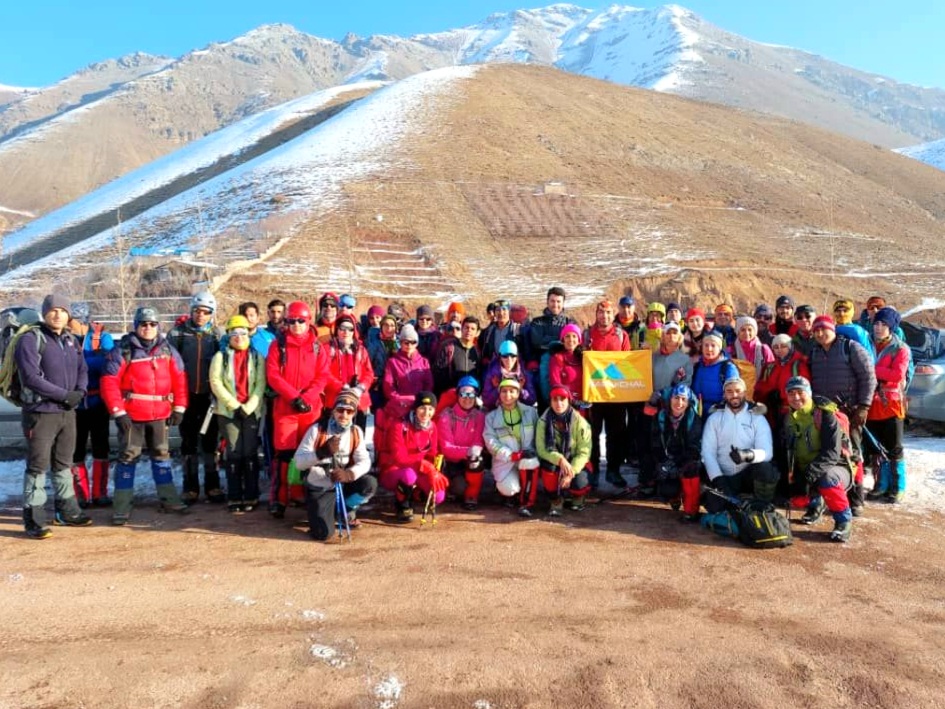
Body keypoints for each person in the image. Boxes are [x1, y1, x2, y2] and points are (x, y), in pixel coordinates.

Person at [101, 306, 189, 525]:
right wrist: (118, 412)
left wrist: (180, 407)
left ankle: (169, 498)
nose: (148, 328)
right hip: (132, 415)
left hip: (160, 414)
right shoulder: (122, 350)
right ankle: (122, 505)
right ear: (136, 326)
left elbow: (180, 378)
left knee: (161, 455)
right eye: (143, 324)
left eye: (152, 324)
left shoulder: (168, 350)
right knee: (128, 457)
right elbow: (108, 382)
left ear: (158, 326)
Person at [17, 294, 91, 538]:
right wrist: (63, 395)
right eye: (53, 310)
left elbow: (83, 368)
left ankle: (67, 511)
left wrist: (79, 392)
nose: (58, 314)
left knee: (63, 463)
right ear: (44, 313)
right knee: (38, 465)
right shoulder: (30, 339)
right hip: (40, 413)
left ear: (68, 314)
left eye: (63, 310)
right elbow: (31, 378)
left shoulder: (71, 340)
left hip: (67, 413)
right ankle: (34, 518)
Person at [265, 300, 331, 518]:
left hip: (310, 408)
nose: (296, 325)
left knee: (309, 454)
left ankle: (302, 493)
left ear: (308, 321)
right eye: (291, 321)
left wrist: (307, 397)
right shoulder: (278, 345)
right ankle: (279, 498)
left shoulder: (317, 347)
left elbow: (322, 377)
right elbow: (273, 375)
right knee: (284, 455)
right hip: (286, 406)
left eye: (300, 321)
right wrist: (294, 397)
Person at [808, 315, 876, 516]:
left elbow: (868, 377)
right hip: (824, 413)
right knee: (824, 452)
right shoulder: (814, 353)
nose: (820, 334)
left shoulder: (851, 348)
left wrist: (864, 406)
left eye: (824, 329)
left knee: (853, 453)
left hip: (850, 412)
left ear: (833, 329)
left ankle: (856, 499)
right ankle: (824, 496)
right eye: (816, 330)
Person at [295, 387, 377, 539]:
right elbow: (299, 462)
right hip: (320, 486)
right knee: (323, 534)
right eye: (340, 410)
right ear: (333, 410)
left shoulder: (355, 432)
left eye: (349, 411)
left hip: (343, 483)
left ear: (354, 413)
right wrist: (321, 453)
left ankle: (345, 509)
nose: (344, 415)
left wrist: (349, 474)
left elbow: (365, 461)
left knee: (369, 484)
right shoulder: (317, 430)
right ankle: (324, 514)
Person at [168, 291, 224, 505]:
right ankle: (190, 487)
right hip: (186, 396)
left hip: (210, 397)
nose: (201, 315)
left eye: (206, 312)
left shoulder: (217, 335)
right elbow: (168, 366)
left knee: (211, 443)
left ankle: (213, 485)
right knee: (188, 443)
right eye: (197, 311)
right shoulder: (177, 334)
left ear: (212, 313)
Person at [784, 377, 854, 542]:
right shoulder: (788, 418)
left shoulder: (824, 414)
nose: (796, 397)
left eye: (800, 392)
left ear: (809, 393)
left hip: (836, 467)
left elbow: (832, 453)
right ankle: (816, 503)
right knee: (797, 496)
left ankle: (843, 520)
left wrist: (807, 476)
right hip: (808, 467)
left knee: (825, 478)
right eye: (791, 393)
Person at [209, 315, 267, 513]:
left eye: (242, 333)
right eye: (234, 333)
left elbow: (260, 384)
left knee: (249, 452)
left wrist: (249, 407)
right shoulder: (221, 357)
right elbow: (215, 382)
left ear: (249, 333)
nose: (238, 337)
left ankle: (251, 493)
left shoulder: (257, 357)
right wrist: (234, 405)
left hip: (251, 411)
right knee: (234, 452)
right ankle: (234, 495)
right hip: (228, 412)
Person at [701, 377, 778, 509]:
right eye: (729, 391)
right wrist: (718, 479)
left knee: (766, 468)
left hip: (747, 475)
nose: (734, 395)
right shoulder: (714, 418)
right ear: (724, 394)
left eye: (738, 391)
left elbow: (767, 452)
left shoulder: (757, 418)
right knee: (715, 508)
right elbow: (708, 452)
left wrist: (747, 455)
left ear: (745, 393)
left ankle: (762, 504)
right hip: (723, 475)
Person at [71, 302, 115, 507]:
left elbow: (109, 364)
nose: (71, 324)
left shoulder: (102, 338)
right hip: (73, 405)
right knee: (75, 449)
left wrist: (80, 364)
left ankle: (100, 493)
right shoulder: (63, 339)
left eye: (74, 320)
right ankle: (80, 494)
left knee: (101, 447)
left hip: (98, 403)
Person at [585, 299, 631, 488]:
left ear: (614, 315)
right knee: (592, 433)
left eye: (608, 313)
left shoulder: (621, 335)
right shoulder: (587, 334)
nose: (604, 316)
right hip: (593, 394)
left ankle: (614, 470)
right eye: (601, 312)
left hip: (615, 394)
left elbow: (628, 362)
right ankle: (593, 470)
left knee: (616, 433)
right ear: (596, 314)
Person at [380, 391, 446, 522]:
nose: (426, 413)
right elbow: (399, 457)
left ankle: (415, 494)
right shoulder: (399, 426)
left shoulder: (432, 427)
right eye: (422, 408)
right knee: (409, 475)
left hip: (418, 468)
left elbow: (432, 452)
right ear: (415, 408)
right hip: (393, 469)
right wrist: (423, 464)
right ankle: (402, 503)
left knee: (439, 496)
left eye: (430, 409)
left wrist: (436, 467)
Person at [866, 307, 910, 503]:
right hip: (872, 404)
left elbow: (897, 375)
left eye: (883, 324)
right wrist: (882, 371)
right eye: (876, 323)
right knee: (877, 447)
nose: (879, 327)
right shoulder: (868, 344)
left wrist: (873, 369)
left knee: (895, 447)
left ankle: (898, 486)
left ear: (891, 327)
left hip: (891, 404)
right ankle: (881, 484)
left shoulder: (901, 348)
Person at [377, 324, 434, 466]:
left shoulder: (424, 362)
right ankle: (396, 461)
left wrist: (421, 401)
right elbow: (388, 388)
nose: (409, 345)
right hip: (400, 407)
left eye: (413, 342)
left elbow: (429, 385)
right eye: (405, 342)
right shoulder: (393, 362)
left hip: (420, 405)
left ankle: (421, 460)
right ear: (400, 342)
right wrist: (404, 400)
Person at [483, 378, 540, 516]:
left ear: (518, 393)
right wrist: (511, 455)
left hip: (527, 459)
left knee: (530, 462)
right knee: (509, 489)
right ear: (499, 393)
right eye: (504, 391)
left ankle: (526, 502)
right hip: (506, 461)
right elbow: (490, 442)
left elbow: (539, 435)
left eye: (512, 391)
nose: (507, 395)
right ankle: (512, 492)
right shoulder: (491, 417)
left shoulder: (530, 412)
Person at [537, 385, 592, 516]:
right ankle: (556, 499)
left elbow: (584, 452)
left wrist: (571, 471)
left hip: (574, 459)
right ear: (550, 401)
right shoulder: (543, 421)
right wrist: (560, 459)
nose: (559, 403)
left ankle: (578, 496)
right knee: (548, 468)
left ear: (569, 401)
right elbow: (541, 449)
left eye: (562, 399)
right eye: (555, 400)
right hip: (555, 460)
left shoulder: (580, 422)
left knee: (581, 479)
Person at [650, 383, 703, 521]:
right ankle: (675, 496)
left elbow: (695, 446)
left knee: (691, 468)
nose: (679, 403)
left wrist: (677, 463)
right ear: (670, 399)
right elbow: (655, 443)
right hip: (668, 460)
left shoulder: (694, 419)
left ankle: (691, 510)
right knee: (667, 490)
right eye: (676, 398)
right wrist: (662, 462)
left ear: (688, 402)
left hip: (686, 460)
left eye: (683, 399)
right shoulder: (660, 418)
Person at [435, 375, 487, 509]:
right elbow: (446, 447)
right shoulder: (447, 415)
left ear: (476, 397)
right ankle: (452, 487)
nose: (467, 398)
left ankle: (472, 496)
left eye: (471, 394)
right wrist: (467, 451)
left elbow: (478, 441)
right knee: (459, 488)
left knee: (478, 461)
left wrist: (474, 452)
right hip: (452, 461)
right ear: (457, 395)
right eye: (463, 393)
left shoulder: (479, 416)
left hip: (469, 459)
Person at [324, 314, 374, 431]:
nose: (346, 332)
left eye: (350, 329)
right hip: (335, 401)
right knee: (334, 439)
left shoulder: (361, 349)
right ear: (337, 329)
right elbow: (324, 372)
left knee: (356, 437)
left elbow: (369, 373)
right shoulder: (327, 349)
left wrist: (361, 387)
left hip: (358, 401)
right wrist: (341, 387)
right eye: (342, 328)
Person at [527, 287, 576, 405]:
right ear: (547, 302)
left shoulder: (569, 322)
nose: (555, 304)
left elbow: (574, 340)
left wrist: (547, 339)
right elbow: (537, 341)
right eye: (552, 301)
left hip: (566, 365)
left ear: (563, 303)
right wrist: (561, 341)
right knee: (545, 399)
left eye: (558, 301)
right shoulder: (537, 322)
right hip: (543, 366)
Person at [690, 331, 739, 417]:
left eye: (713, 345)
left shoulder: (727, 367)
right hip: (698, 413)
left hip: (719, 414)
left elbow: (734, 394)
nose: (709, 349)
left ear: (720, 348)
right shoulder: (697, 366)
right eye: (706, 345)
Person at [481, 340, 536, 411]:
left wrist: (520, 390)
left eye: (513, 356)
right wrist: (498, 390)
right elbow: (486, 401)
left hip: (519, 411)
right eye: (505, 356)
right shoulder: (493, 373)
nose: (509, 359)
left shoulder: (523, 373)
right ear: (500, 357)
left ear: (517, 357)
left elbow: (532, 400)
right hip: (499, 411)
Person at [433, 315, 481, 395]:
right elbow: (438, 375)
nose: (469, 331)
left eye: (472, 329)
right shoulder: (449, 348)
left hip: (470, 396)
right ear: (462, 329)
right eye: (466, 327)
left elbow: (478, 375)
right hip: (451, 395)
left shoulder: (477, 352)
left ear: (477, 333)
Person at [479, 298, 523, 369]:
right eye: (498, 310)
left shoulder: (517, 330)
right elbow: (486, 350)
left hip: (513, 368)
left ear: (509, 312)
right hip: (494, 369)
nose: (501, 313)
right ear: (494, 313)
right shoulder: (490, 331)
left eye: (504, 309)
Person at [548, 323, 584, 404]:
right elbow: (556, 383)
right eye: (567, 336)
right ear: (563, 340)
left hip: (584, 403)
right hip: (565, 403)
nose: (571, 339)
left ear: (579, 341)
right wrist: (571, 400)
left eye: (574, 336)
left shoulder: (584, 358)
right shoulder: (557, 358)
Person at [731, 315, 774, 383]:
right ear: (737, 332)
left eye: (750, 329)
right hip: (738, 391)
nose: (747, 333)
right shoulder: (731, 350)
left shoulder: (764, 349)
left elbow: (771, 372)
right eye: (743, 330)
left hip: (761, 390)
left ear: (755, 331)